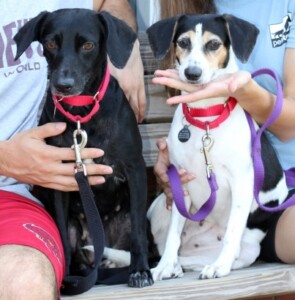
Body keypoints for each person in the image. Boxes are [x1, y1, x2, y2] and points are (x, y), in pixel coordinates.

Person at [0, 1, 145, 299]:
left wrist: (126, 55)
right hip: (53, 204)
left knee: (26, 281)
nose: (64, 78)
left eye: (86, 46)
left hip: (16, 202)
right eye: (52, 45)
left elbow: (111, 4)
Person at [153, 0, 295, 268]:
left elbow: (290, 126)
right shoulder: (185, 10)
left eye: (212, 47)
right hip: (212, 209)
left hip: (278, 198)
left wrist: (241, 90)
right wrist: (175, 167)